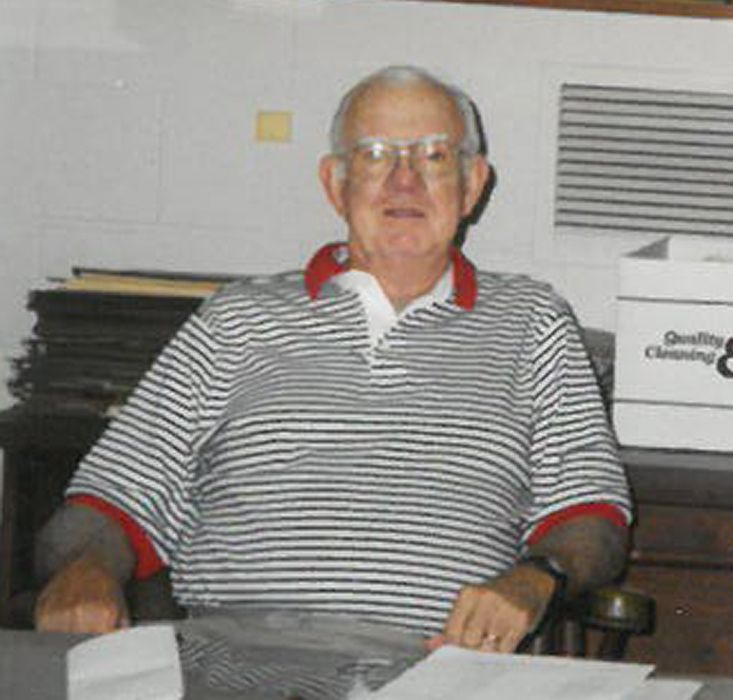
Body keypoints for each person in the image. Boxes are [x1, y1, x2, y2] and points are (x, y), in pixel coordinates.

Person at [31, 65, 632, 654]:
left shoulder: (532, 323)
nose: (404, 181)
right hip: (234, 670)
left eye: (433, 156)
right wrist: (86, 569)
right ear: (334, 184)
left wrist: (535, 577)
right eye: (375, 155)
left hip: (439, 671)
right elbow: (108, 501)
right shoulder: (236, 320)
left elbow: (593, 516)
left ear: (472, 184)